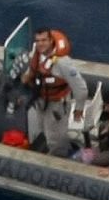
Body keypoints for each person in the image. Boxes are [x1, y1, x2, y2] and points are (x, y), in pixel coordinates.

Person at [21, 27, 88, 156]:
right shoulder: (37, 53)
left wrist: (79, 109)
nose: (40, 44)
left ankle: (59, 158)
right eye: (38, 40)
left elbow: (81, 88)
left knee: (55, 137)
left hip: (57, 104)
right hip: (41, 99)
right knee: (44, 129)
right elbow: (33, 69)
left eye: (44, 40)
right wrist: (28, 76)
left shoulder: (63, 63)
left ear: (51, 41)